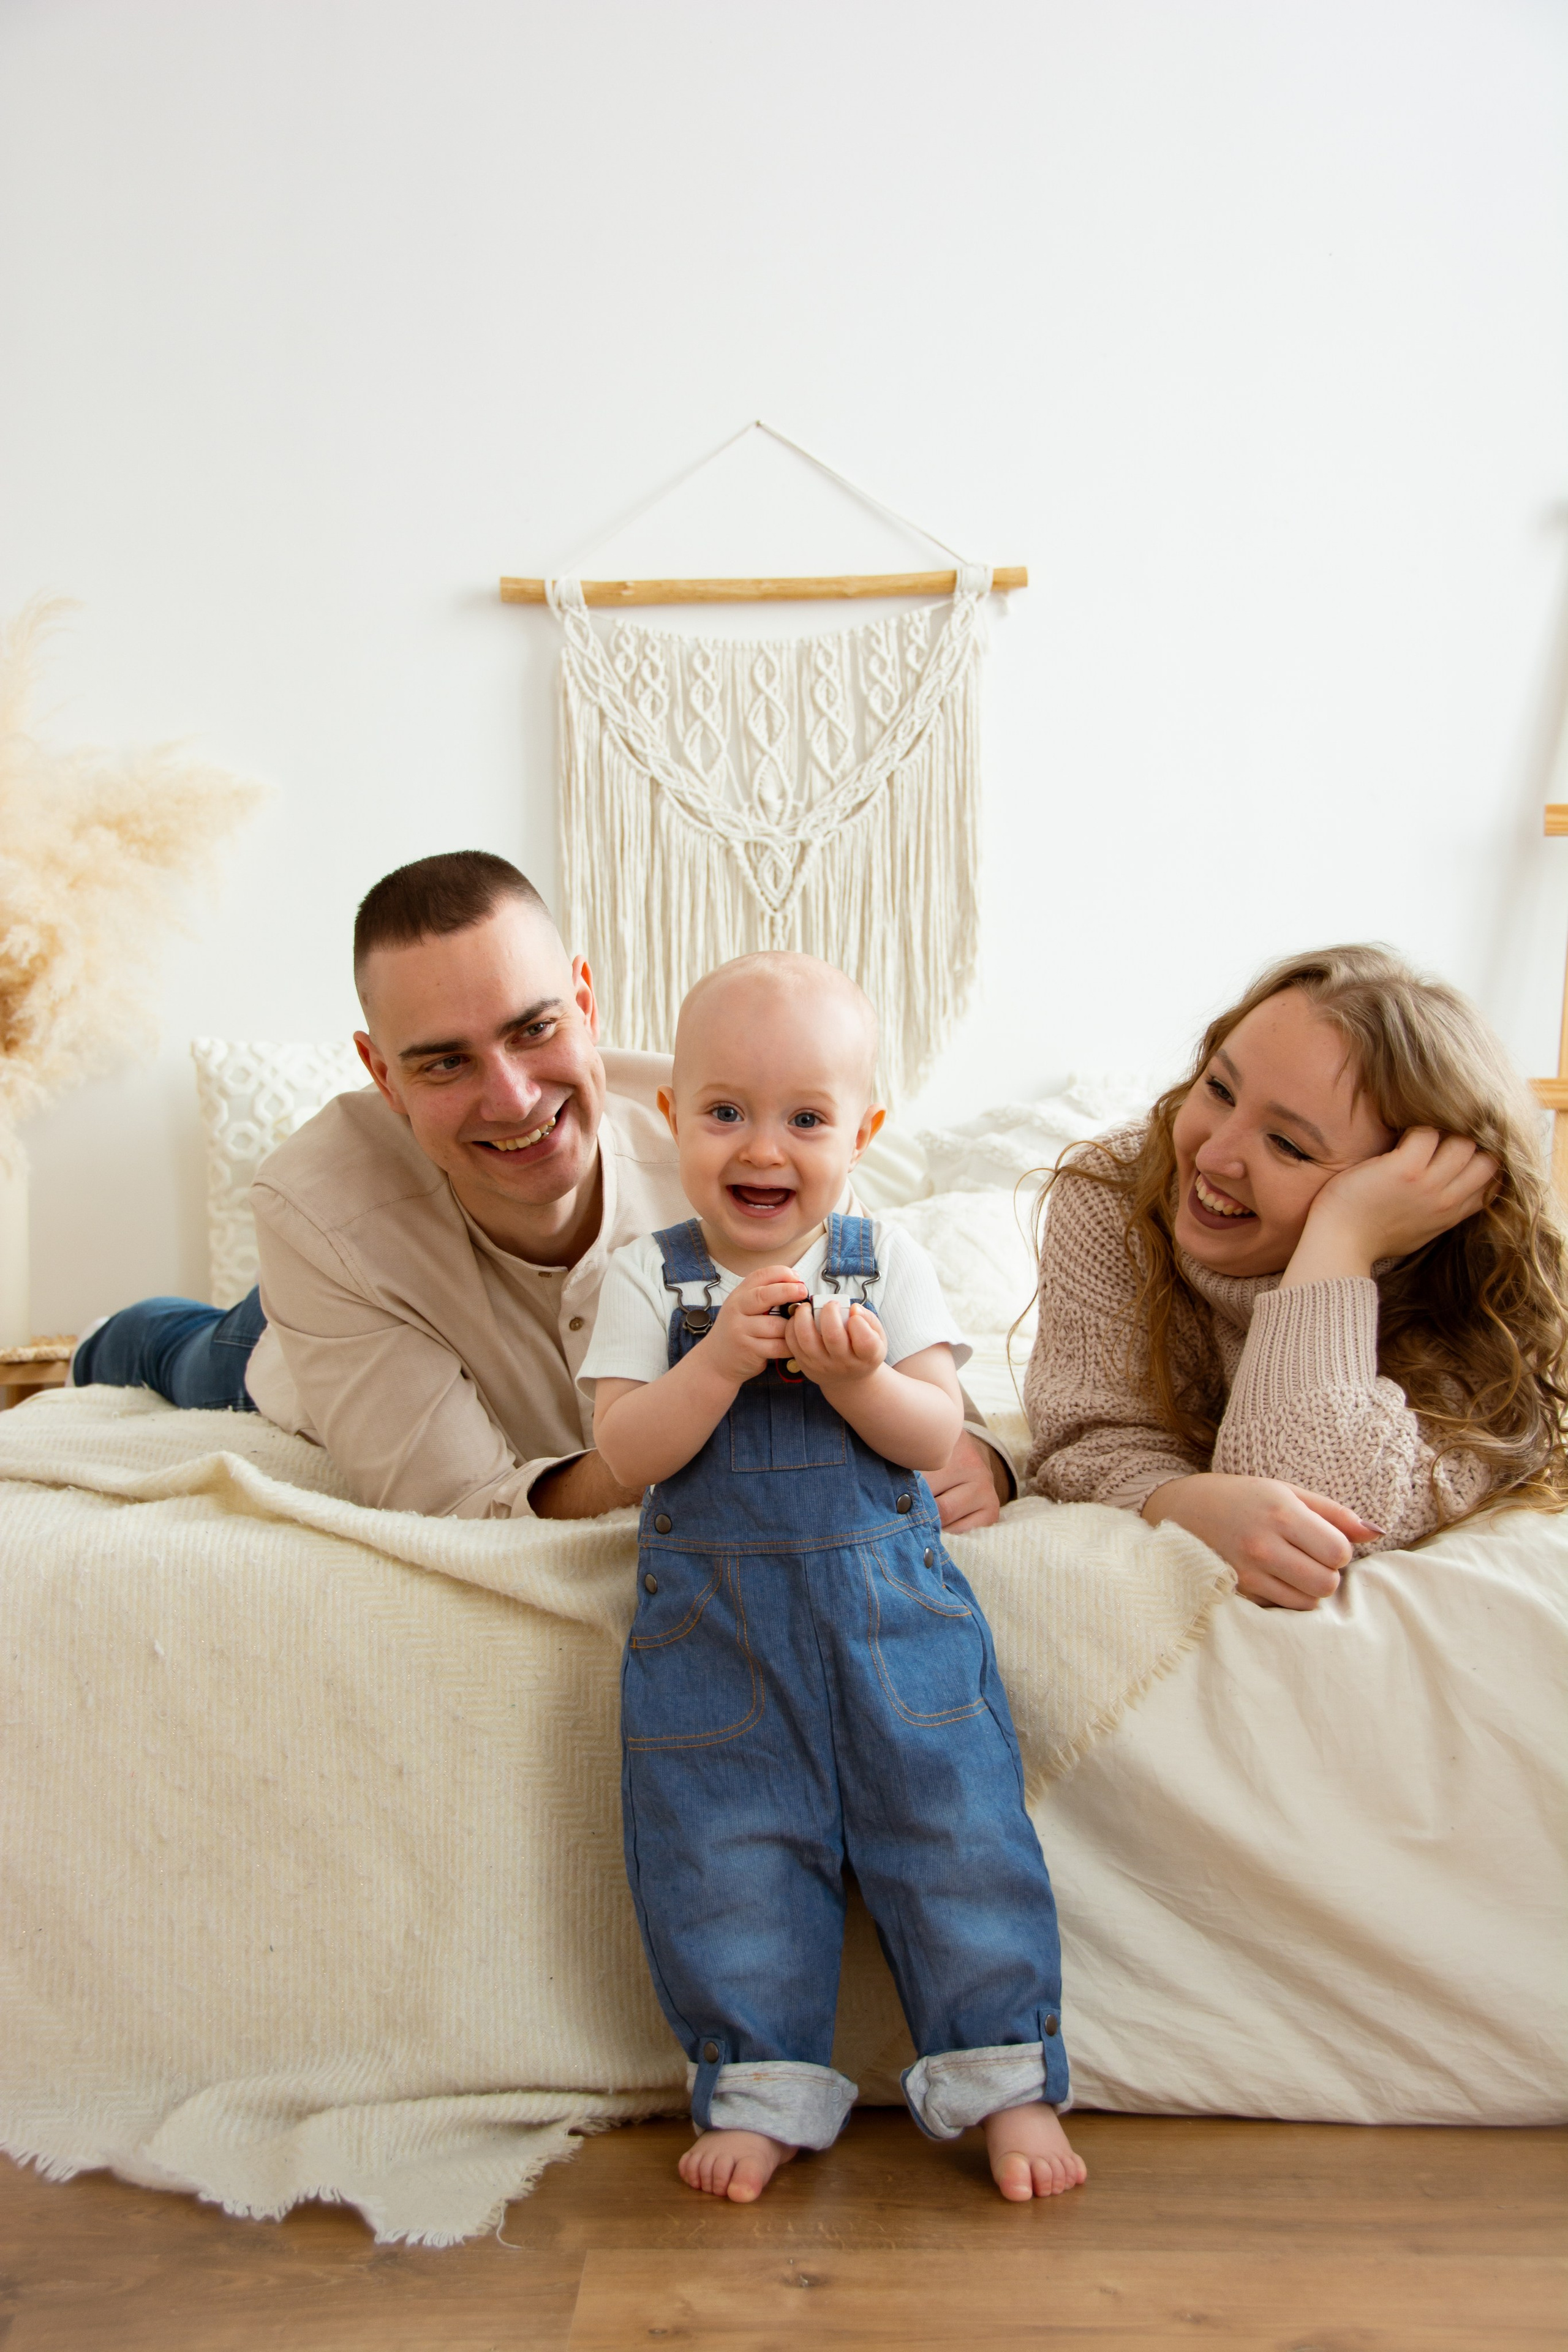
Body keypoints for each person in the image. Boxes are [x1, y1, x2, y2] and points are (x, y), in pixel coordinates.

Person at [72, 851, 1012, 1528]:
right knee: (185, 1353)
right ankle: (127, 1334)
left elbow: (913, 1367)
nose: (514, 1099)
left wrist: (987, 1468)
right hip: (312, 1336)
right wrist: (662, 1452)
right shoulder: (319, 1215)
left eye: (534, 1029)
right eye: (444, 1063)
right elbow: (459, 1503)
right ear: (382, 1075)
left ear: (586, 1003)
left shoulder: (742, 1136)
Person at [581, 951, 1085, 2206]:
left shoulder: (885, 1264)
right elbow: (624, 1450)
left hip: (891, 1633)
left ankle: (1005, 2080)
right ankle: (758, 2089)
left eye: (805, 1117)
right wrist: (714, 1370)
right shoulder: (650, 1278)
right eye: (725, 1112)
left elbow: (937, 1437)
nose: (764, 1147)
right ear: (672, 1119)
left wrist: (859, 1379)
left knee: (955, 1835)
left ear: (859, 1131)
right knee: (723, 1856)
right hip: (719, 1651)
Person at [1025, 944, 1568, 1607]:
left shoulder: (1470, 1310)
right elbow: (1087, 1436)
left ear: (1412, 1188)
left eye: (1288, 1145)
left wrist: (1342, 1238)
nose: (1214, 1157)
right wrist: (1173, 1498)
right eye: (1219, 1089)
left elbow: (1309, 1509)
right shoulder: (1117, 1192)